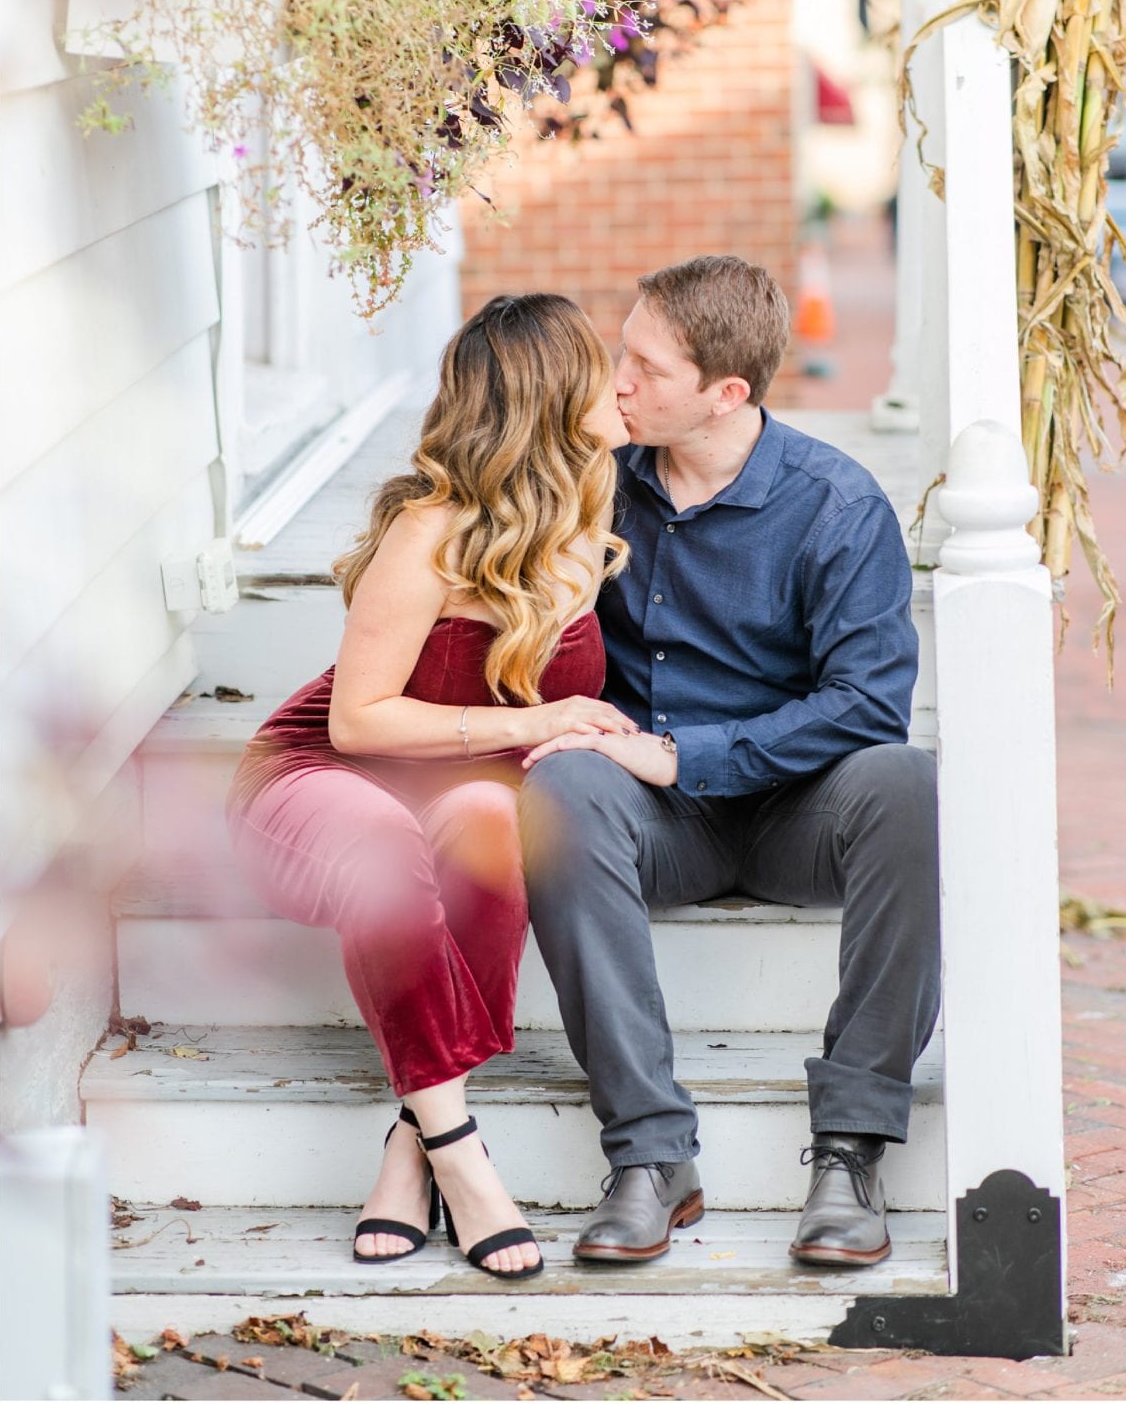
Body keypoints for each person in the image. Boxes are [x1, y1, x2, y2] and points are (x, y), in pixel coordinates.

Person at [518, 255, 940, 1269]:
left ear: (726, 393)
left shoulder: (835, 505)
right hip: (659, 822)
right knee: (560, 787)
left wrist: (684, 753)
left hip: (796, 812)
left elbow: (866, 704)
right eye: (620, 354)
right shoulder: (597, 486)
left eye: (644, 369)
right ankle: (649, 1157)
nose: (616, 382)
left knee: (905, 782)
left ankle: (848, 1150)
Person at [225, 294, 636, 1280]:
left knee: (496, 819)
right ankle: (460, 1154)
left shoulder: (591, 503)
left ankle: (408, 1143)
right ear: (552, 399)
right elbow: (356, 720)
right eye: (602, 366)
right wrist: (535, 723)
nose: (622, 384)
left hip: (458, 791)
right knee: (383, 844)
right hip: (326, 779)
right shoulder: (430, 531)